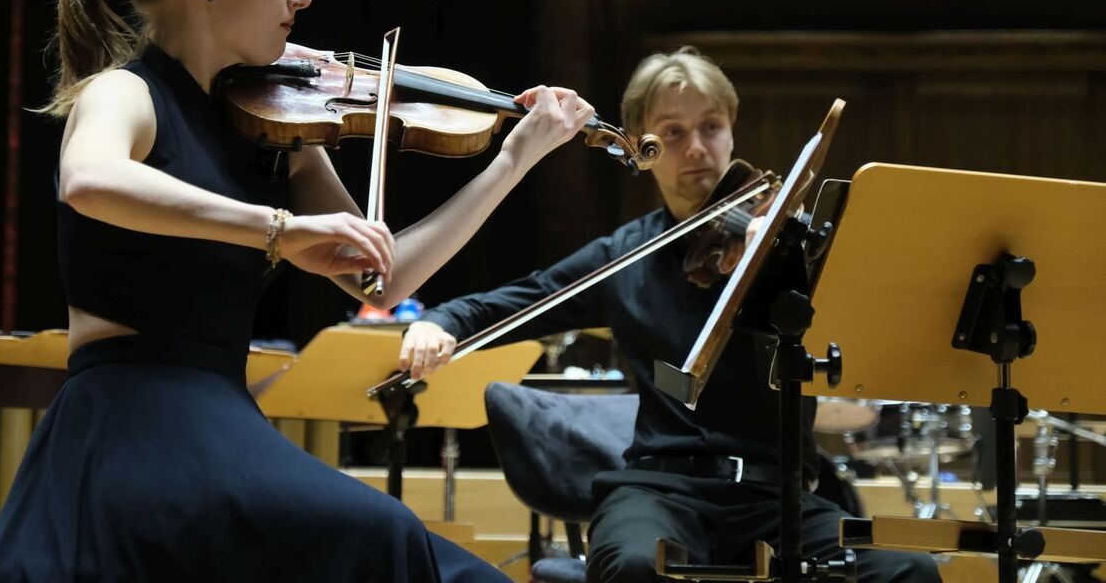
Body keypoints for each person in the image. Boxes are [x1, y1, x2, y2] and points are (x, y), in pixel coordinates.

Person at [0, 0, 595, 582]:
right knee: (385, 537)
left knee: (450, 569)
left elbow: (383, 278)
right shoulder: (125, 93)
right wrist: (276, 228)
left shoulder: (276, 130)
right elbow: (91, 180)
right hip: (130, 423)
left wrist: (514, 158)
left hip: (218, 419)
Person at [399, 47, 942, 583]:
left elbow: (877, 320)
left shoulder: (790, 243)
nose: (697, 148)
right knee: (633, 564)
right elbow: (514, 301)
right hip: (660, 489)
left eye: (711, 126)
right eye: (674, 133)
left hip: (782, 496)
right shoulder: (623, 255)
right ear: (644, 146)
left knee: (907, 571)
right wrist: (438, 323)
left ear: (731, 129)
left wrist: (783, 268)